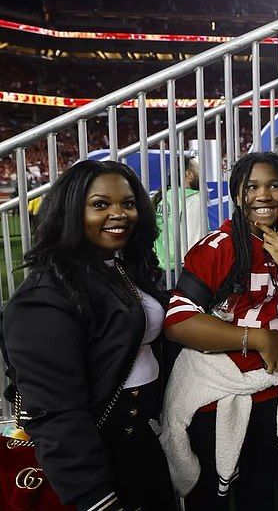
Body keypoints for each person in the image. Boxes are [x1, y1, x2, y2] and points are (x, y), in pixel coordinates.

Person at [0, 160, 177, 511]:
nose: (119, 214)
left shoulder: (123, 267)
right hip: (95, 458)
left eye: (127, 203)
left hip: (141, 441)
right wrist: (95, 497)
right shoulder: (44, 296)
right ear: (70, 211)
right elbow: (56, 412)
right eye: (100, 204)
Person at [160, 152, 278, 511]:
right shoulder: (219, 247)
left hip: (267, 388)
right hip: (217, 392)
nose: (264, 195)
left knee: (260, 490)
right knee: (209, 495)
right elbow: (177, 323)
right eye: (253, 186)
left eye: (274, 185)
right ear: (237, 195)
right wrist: (257, 337)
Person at [154, 154, 208, 287]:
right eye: (198, 170)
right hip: (182, 272)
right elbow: (196, 242)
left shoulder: (162, 197)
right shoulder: (194, 198)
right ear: (189, 174)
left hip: (159, 270)